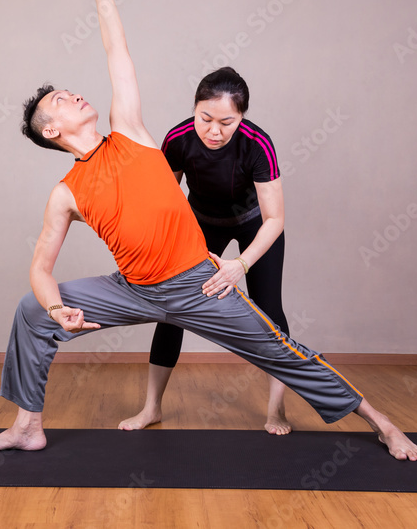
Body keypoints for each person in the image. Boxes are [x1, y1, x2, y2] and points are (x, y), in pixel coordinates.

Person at [0, 0, 417, 461]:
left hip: (197, 285)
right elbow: (41, 269)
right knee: (30, 310)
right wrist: (56, 307)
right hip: (133, 288)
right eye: (63, 99)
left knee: (283, 351)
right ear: (52, 131)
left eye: (70, 90)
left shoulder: (130, 131)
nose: (75, 94)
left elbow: (118, 52)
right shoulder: (65, 193)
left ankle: (382, 423)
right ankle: (27, 425)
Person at [119, 67, 295, 435]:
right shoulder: (179, 139)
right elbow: (165, 202)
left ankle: (276, 410)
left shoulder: (257, 144)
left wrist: (241, 265)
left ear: (242, 117)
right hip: (199, 222)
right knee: (172, 310)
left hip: (254, 225)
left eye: (227, 122)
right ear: (195, 109)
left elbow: (275, 218)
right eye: (206, 118)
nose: (214, 131)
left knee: (270, 314)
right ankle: (152, 407)